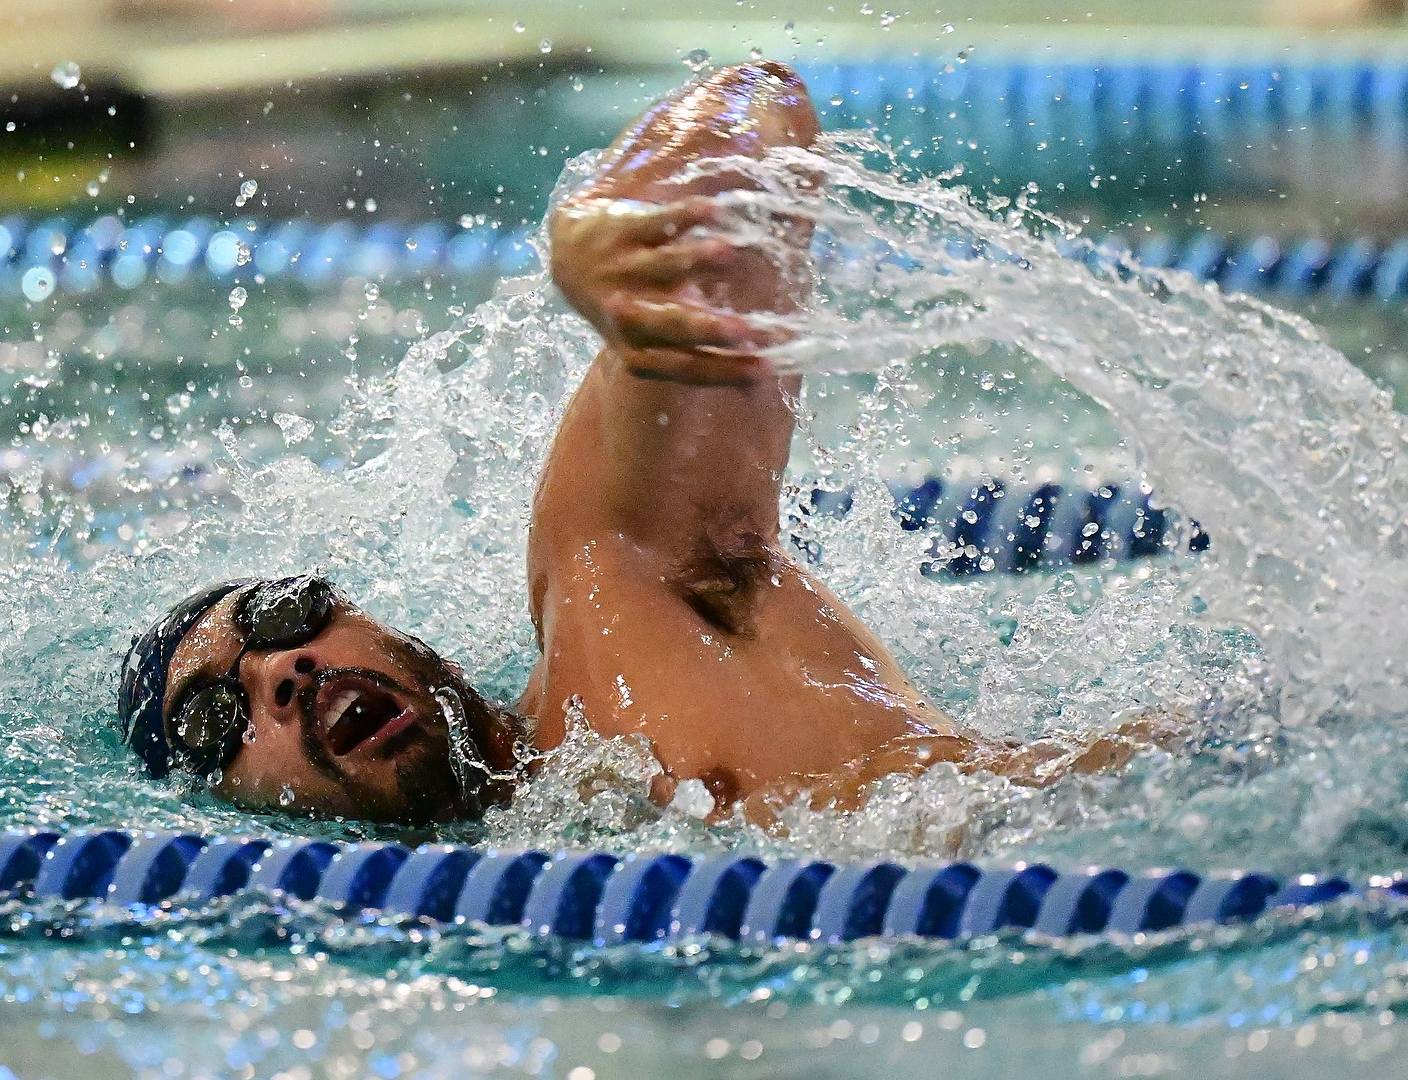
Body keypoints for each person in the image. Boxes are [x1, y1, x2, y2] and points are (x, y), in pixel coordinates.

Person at [117, 61, 1171, 827]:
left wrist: (620, 223)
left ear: (365, 616)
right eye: (217, 719)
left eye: (282, 616)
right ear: (225, 806)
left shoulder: (615, 590)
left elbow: (762, 105)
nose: (285, 673)